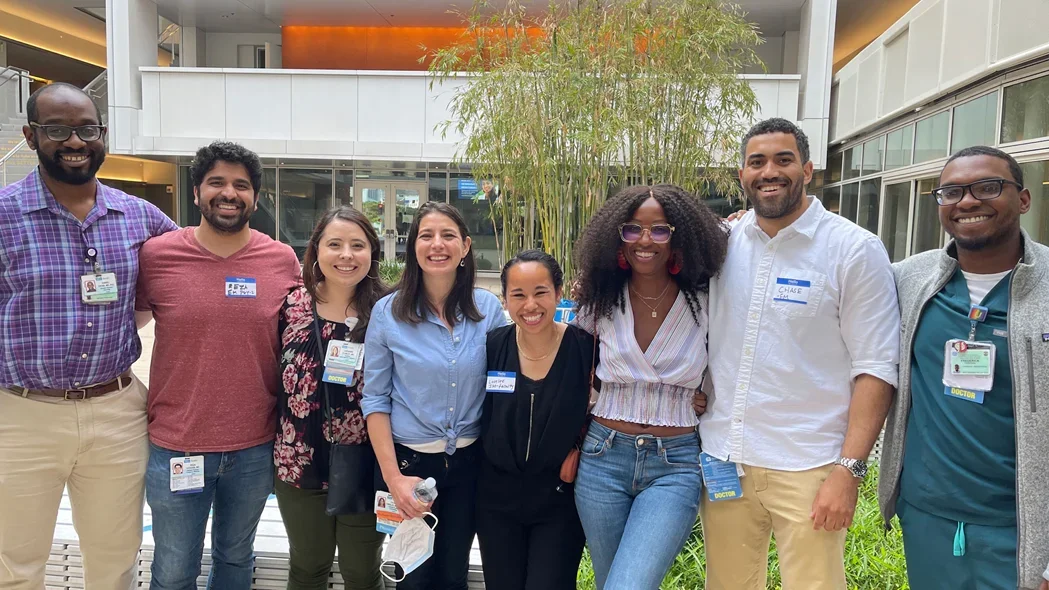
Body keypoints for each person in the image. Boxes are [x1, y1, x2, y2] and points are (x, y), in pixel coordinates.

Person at [700, 117, 900, 590]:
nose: (770, 171)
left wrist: (848, 471)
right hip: (726, 458)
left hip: (810, 464)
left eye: (783, 160)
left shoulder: (853, 249)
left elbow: (876, 367)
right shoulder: (721, 244)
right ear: (742, 175)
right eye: (757, 162)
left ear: (808, 169)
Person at [0, 82, 177, 590]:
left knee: (115, 558)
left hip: (116, 409)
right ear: (32, 137)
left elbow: (192, 268)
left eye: (87, 129)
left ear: (102, 135)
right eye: (57, 129)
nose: (74, 141)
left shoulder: (140, 216)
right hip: (21, 413)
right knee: (16, 563)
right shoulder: (5, 215)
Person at [878, 146, 1049, 590]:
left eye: (987, 187)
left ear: (1024, 199)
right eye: (951, 192)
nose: (968, 201)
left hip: (1020, 529)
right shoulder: (907, 279)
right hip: (928, 516)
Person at [135, 141, 301, 589]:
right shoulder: (157, 256)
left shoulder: (281, 261)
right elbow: (121, 327)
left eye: (241, 185)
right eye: (217, 183)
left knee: (235, 561)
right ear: (196, 193)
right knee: (172, 569)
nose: (229, 193)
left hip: (253, 447)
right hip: (178, 444)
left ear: (255, 197)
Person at [570, 184, 728, 589]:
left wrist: (706, 392)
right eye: (633, 229)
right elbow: (569, 363)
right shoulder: (600, 299)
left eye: (660, 230)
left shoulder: (706, 299)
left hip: (674, 466)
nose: (645, 240)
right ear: (616, 237)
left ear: (679, 236)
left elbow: (730, 359)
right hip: (602, 459)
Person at [362, 201, 506, 590]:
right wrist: (394, 479)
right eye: (426, 236)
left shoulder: (489, 310)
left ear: (465, 246)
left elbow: (518, 373)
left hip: (469, 466)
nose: (437, 244)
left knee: (453, 573)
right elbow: (375, 400)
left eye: (447, 236)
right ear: (413, 247)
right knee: (413, 577)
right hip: (407, 464)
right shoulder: (387, 312)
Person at [274, 206, 387, 590]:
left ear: (372, 251)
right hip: (298, 462)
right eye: (334, 244)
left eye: (358, 245)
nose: (346, 255)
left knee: (363, 572)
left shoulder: (389, 311)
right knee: (307, 569)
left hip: (366, 465)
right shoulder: (291, 305)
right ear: (316, 250)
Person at [476, 250, 594, 590]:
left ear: (558, 293)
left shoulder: (585, 348)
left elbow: (624, 391)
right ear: (505, 300)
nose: (531, 305)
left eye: (541, 292)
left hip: (559, 500)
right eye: (518, 295)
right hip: (497, 502)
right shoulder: (492, 346)